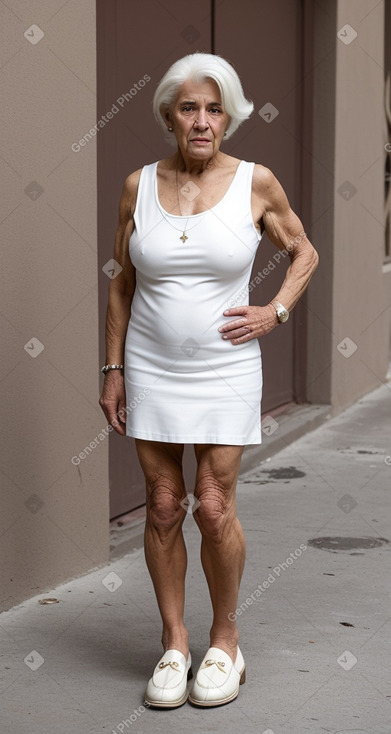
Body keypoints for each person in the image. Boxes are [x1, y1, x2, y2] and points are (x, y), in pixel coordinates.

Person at [99, 52, 319, 709]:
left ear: (230, 115)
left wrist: (274, 310)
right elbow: (122, 284)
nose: (201, 120)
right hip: (150, 364)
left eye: (214, 108)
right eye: (189, 107)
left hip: (224, 368)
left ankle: (225, 642)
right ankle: (174, 642)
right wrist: (112, 368)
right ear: (169, 113)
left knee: (213, 503)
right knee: (162, 504)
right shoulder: (138, 186)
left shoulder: (256, 182)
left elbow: (302, 250)